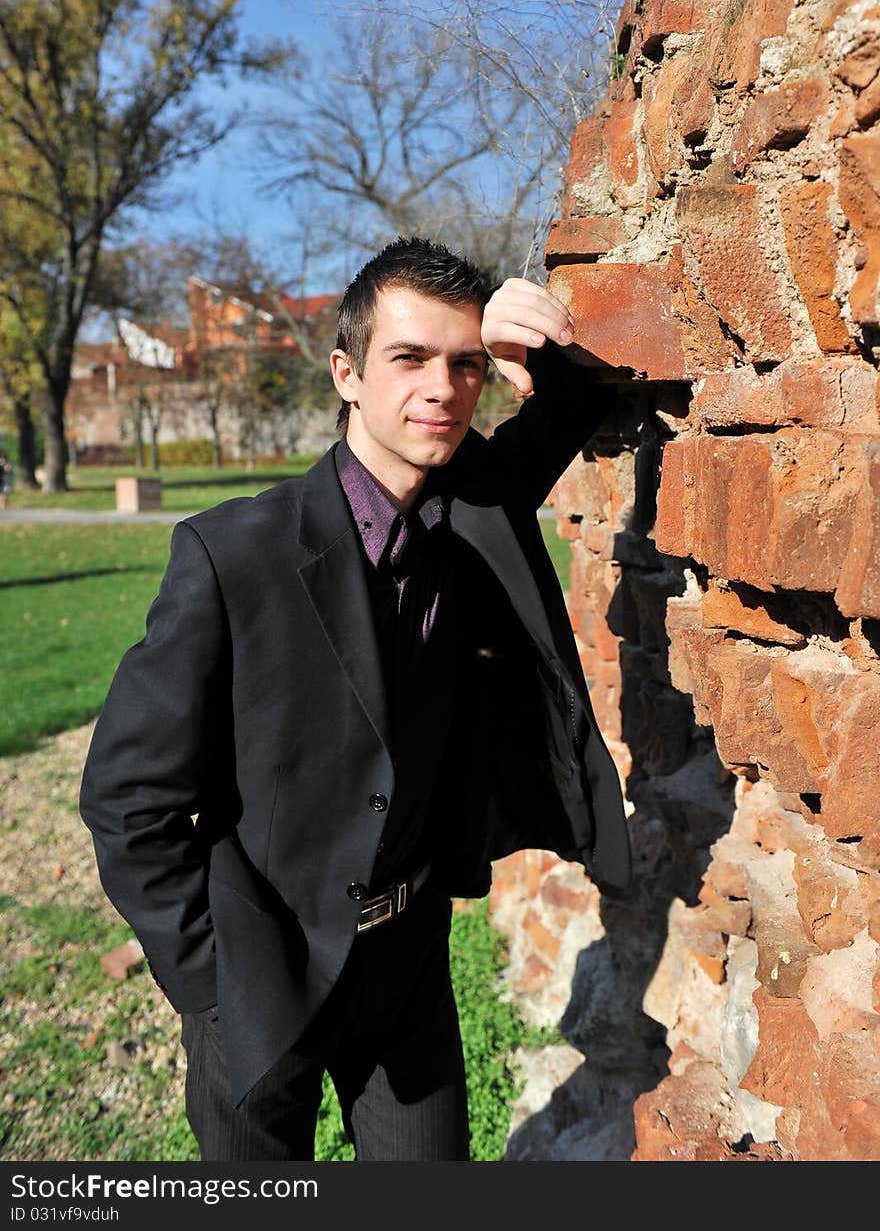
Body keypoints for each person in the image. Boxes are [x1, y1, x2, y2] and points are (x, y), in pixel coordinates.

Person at [79, 237, 631, 1162]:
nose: (442, 389)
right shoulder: (233, 554)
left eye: (462, 366)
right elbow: (127, 797)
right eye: (409, 358)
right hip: (262, 967)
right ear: (347, 373)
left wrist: (512, 331)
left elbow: (576, 396)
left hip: (407, 961)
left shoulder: (474, 511)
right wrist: (211, 981)